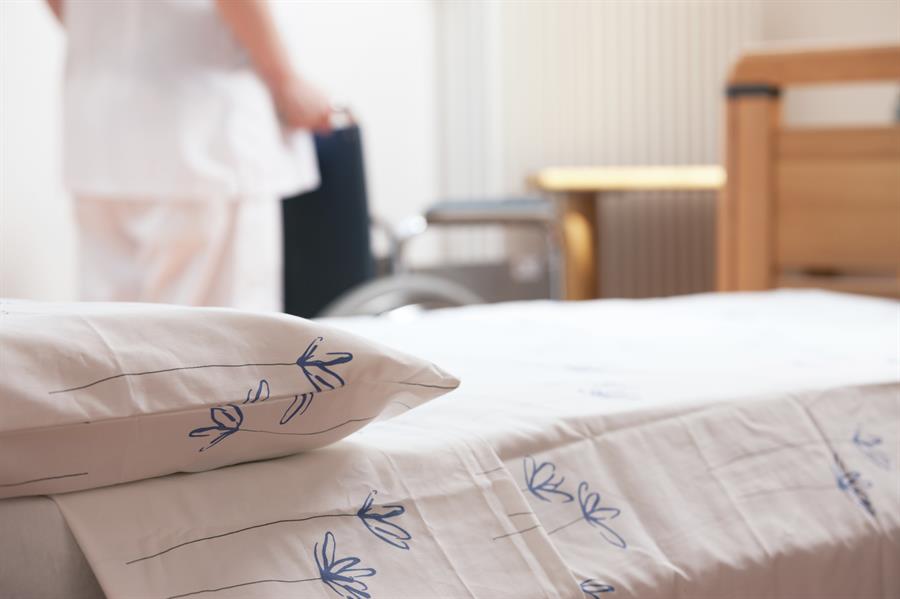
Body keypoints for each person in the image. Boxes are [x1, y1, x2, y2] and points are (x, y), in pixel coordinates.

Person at [45, 0, 330, 310]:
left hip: (100, 127)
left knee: (111, 333)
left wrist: (110, 40)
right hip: (201, 130)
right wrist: (284, 80)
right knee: (214, 340)